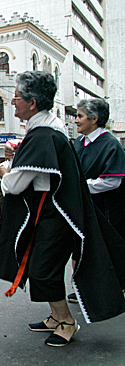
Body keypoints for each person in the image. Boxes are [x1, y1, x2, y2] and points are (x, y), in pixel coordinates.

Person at [0, 71, 125, 347]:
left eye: (17, 98)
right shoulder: (50, 127)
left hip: (54, 212)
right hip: (55, 209)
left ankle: (66, 321)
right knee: (43, 264)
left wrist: (4, 172)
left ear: (33, 102)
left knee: (42, 268)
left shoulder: (42, 134)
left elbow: (16, 185)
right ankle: (55, 315)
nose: (13, 102)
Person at [66, 98, 125, 303]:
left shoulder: (110, 144)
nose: (75, 120)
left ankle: (114, 289)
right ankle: (86, 288)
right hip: (84, 207)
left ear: (94, 118)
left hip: (106, 209)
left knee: (106, 249)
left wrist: (82, 187)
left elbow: (112, 181)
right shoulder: (79, 143)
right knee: (83, 249)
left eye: (80, 116)